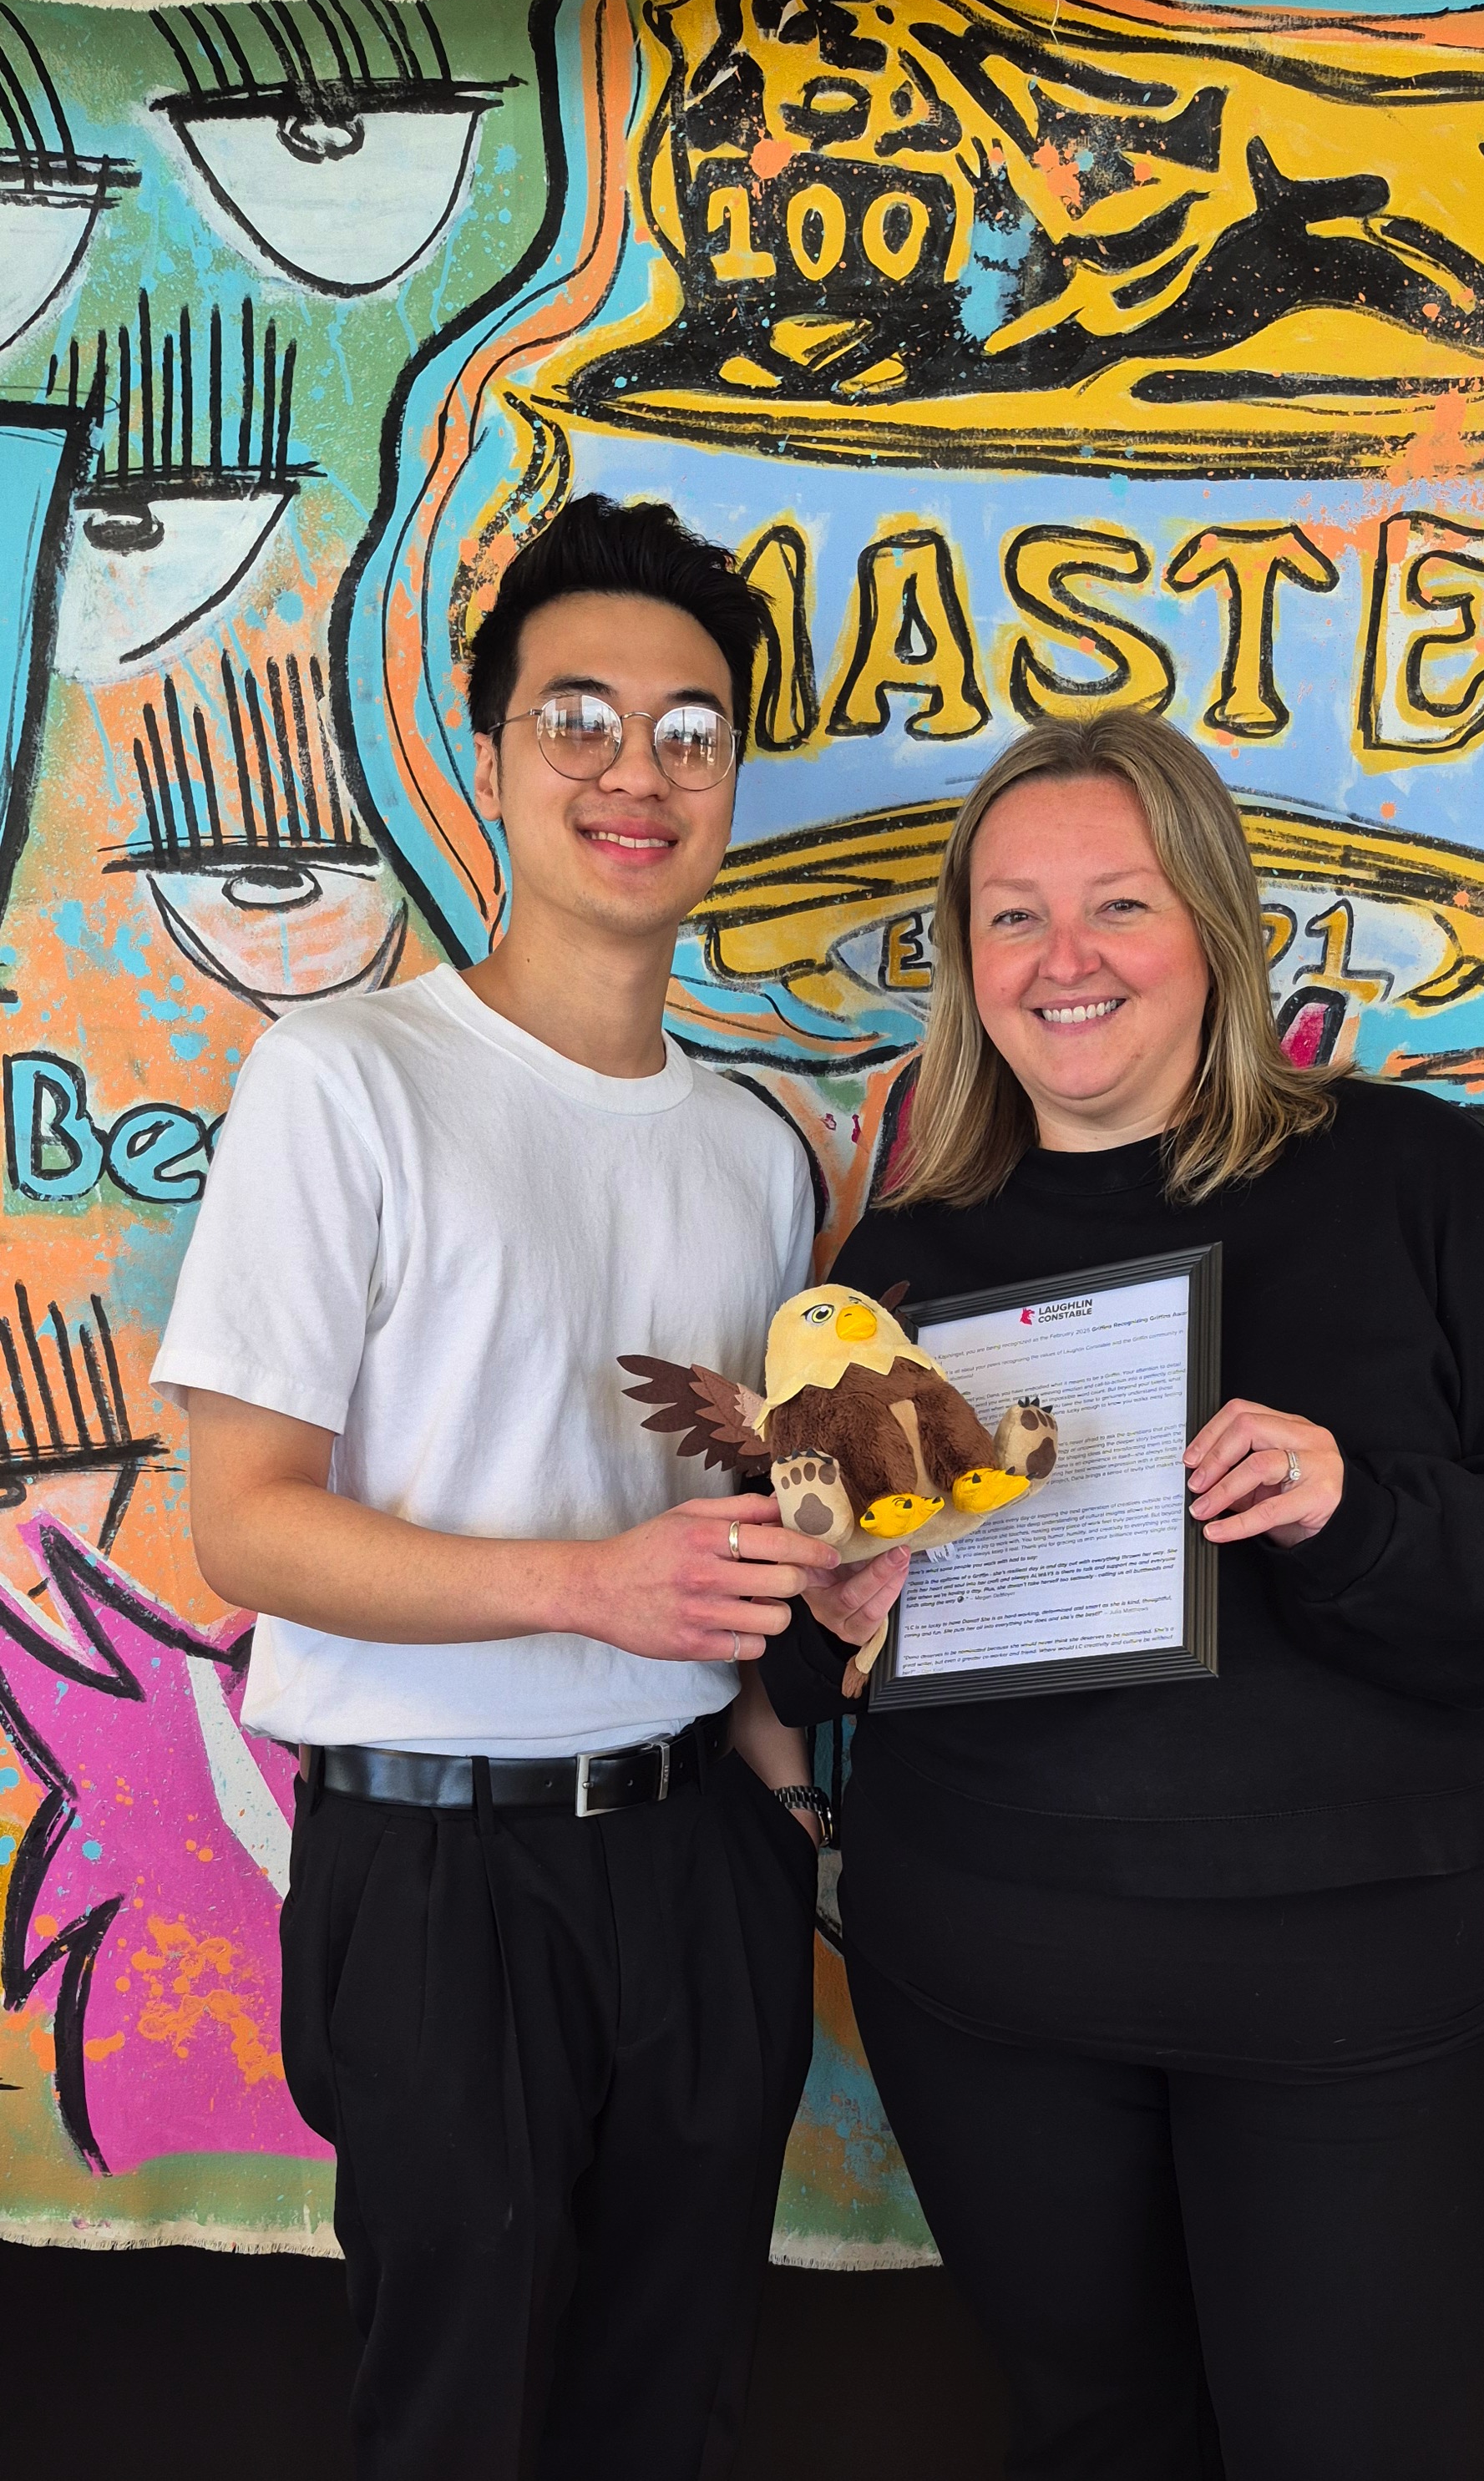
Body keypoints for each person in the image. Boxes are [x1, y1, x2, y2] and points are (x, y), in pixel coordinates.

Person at [764, 713, 1484, 2481]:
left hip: (1352, 1998)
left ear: (1213, 921)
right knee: (1093, 2441)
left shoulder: (1408, 1178)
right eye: (1012, 914)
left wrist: (1361, 1506)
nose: (1063, 957)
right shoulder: (902, 1262)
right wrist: (830, 1618)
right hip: (987, 1992)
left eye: (1118, 903)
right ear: (966, 960)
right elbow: (801, 1654)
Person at [154, 495, 900, 2481]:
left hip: (700, 1857)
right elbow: (244, 1522)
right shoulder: (344, 1078)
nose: (633, 769)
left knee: (673, 2406)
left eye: (688, 730)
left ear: (730, 781)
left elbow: (733, 1543)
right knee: (456, 2420)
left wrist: (788, 1722)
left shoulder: (754, 1152)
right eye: (578, 717)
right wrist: (584, 1585)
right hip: (436, 1874)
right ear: (486, 756)